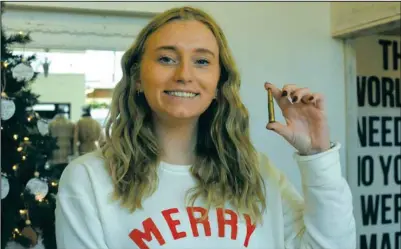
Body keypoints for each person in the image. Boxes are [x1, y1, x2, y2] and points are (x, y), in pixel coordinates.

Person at [55, 6, 356, 249]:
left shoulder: (256, 174)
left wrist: (318, 155)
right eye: (166, 58)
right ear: (136, 77)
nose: (184, 74)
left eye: (201, 61)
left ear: (218, 84)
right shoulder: (88, 180)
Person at [48, 106, 75, 175]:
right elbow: (73, 139)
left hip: (55, 151)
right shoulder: (71, 123)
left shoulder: (51, 124)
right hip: (67, 150)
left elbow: (49, 138)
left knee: (55, 173)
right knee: (65, 172)